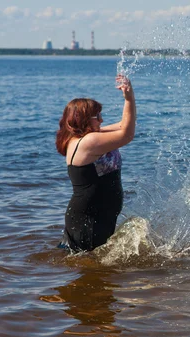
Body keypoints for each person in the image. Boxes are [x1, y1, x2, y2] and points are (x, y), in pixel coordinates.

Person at [56, 75, 136, 252]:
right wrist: (130, 99)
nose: (101, 120)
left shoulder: (85, 137)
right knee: (90, 268)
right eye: (96, 116)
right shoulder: (87, 141)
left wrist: (127, 97)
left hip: (96, 216)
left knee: (93, 268)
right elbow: (127, 135)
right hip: (89, 218)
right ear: (82, 119)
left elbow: (124, 125)